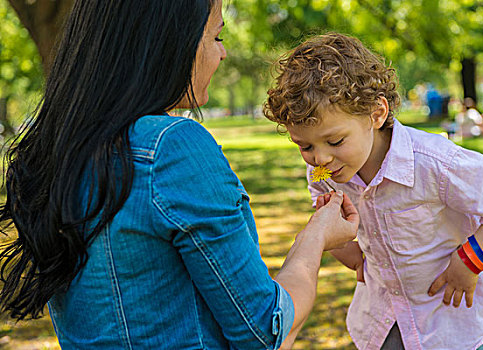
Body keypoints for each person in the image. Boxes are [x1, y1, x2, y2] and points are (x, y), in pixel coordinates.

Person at [0, 2, 360, 349]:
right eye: (216, 37)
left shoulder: (59, 149)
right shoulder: (170, 148)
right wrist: (314, 238)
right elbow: (264, 332)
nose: (222, 54)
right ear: (171, 40)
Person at [263, 33, 483, 350]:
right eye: (304, 146)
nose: (320, 159)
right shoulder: (325, 173)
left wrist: (468, 262)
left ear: (377, 113)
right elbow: (353, 243)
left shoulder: (433, 163)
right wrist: (347, 250)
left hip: (452, 324)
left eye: (334, 141)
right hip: (384, 324)